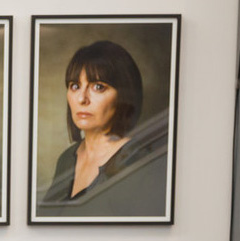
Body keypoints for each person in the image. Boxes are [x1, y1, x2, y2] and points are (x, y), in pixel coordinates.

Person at [39, 40, 168, 217]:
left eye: (98, 87)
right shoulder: (66, 160)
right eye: (75, 86)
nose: (82, 99)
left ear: (124, 96)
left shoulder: (142, 165)